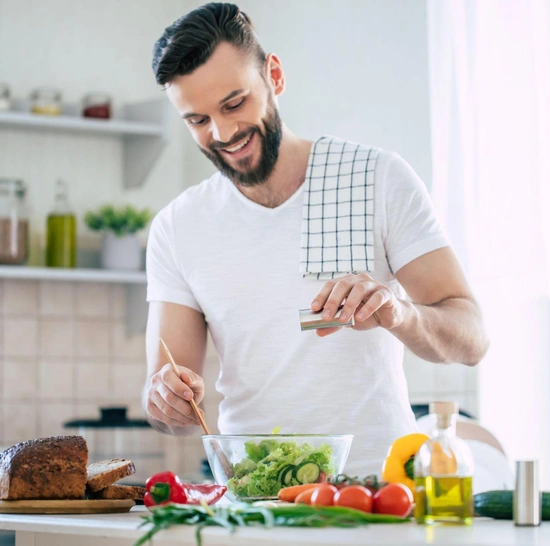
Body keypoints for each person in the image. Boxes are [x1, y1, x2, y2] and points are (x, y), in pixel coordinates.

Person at [143, 2, 489, 475]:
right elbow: (172, 405)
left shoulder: (376, 178)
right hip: (252, 489)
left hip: (376, 487)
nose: (222, 133)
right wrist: (165, 400)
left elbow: (471, 340)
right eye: (197, 121)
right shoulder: (178, 227)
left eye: (234, 103)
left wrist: (398, 312)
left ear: (275, 76)